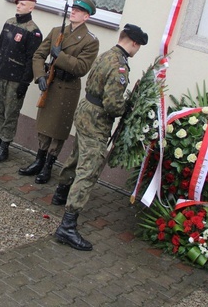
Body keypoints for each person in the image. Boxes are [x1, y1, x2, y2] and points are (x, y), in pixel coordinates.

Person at [51, 24, 148, 251]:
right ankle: (67, 225)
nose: (137, 50)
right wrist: (129, 109)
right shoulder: (119, 67)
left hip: (85, 112)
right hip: (97, 121)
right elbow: (113, 105)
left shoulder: (108, 54)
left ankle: (60, 193)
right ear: (133, 43)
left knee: (76, 156)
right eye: (139, 47)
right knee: (89, 169)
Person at [18, 0, 99, 184]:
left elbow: (81, 67)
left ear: (86, 17)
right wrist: (40, 76)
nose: (74, 12)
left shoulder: (90, 41)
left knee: (58, 129)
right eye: (74, 9)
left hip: (68, 88)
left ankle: (48, 165)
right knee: (44, 126)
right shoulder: (56, 31)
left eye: (79, 11)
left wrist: (60, 56)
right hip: (51, 84)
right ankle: (39, 160)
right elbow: (38, 55)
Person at [0, 0, 43, 162]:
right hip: (1, 73)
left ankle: (4, 145)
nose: (19, 6)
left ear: (31, 7)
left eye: (23, 4)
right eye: (18, 3)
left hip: (15, 79)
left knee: (10, 113)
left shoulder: (33, 31)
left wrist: (25, 83)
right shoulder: (9, 23)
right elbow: (1, 47)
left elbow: (31, 59)